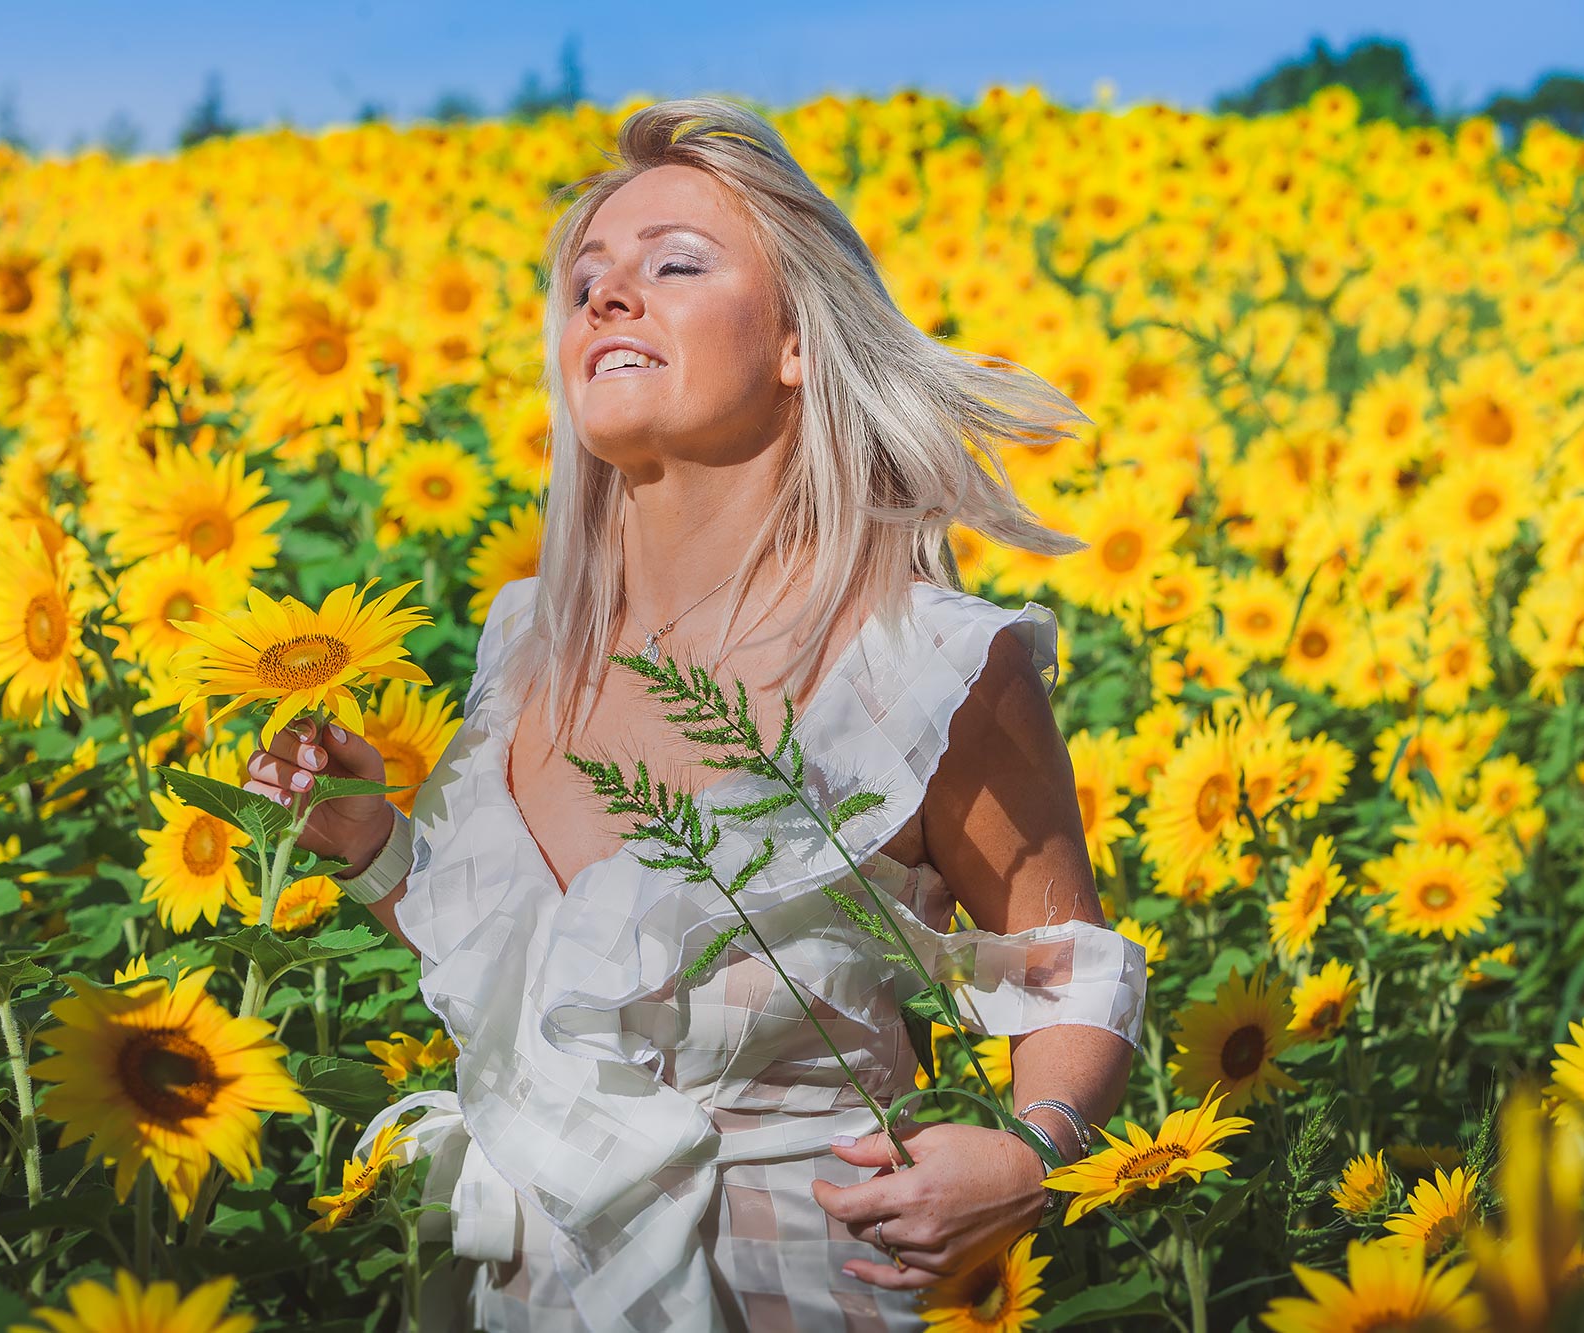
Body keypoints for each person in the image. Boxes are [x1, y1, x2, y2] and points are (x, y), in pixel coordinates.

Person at [245, 97, 1147, 1333]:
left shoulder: (923, 663)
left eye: (673, 264)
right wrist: (375, 850)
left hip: (795, 1291)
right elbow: (546, 1001)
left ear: (795, 344)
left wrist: (1029, 1156)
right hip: (505, 1294)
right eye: (584, 283)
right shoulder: (524, 642)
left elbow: (1067, 972)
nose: (608, 298)